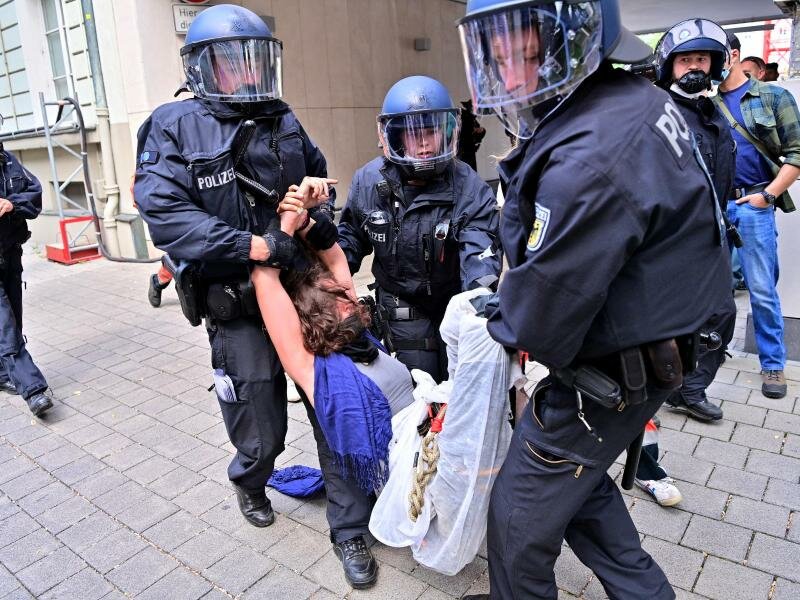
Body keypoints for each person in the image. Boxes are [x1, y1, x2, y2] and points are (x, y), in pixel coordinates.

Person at [457, 1, 731, 598]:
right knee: (575, 484)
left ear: (573, 39)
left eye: (525, 55)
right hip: (661, 337)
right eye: (496, 56)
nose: (508, 76)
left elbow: (538, 315)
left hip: (609, 371)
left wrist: (492, 326)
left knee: (517, 516)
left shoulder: (589, 158)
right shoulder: (630, 98)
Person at [134, 4, 337, 531]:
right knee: (260, 423)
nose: (247, 71)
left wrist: (316, 205)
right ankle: (250, 479)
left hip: (296, 292)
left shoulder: (283, 118)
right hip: (237, 301)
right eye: (231, 61)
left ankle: (349, 507)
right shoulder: (173, 126)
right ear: (202, 67)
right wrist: (258, 247)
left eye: (255, 59)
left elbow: (318, 180)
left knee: (332, 402)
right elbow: (170, 220)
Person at [252, 194, 414, 588]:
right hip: (358, 447)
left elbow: (337, 258)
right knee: (337, 455)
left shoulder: (361, 337)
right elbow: (263, 278)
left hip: (402, 453)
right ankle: (348, 534)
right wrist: (285, 225)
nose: (350, 302)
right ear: (313, 320)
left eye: (346, 298)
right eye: (339, 304)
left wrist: (306, 219)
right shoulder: (310, 366)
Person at [338, 75, 502, 383]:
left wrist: (479, 302)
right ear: (396, 137)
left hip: (456, 298)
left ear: (447, 133)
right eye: (414, 134)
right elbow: (349, 241)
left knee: (464, 380)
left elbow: (480, 253)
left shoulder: (470, 187)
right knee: (420, 383)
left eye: (431, 132)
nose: (424, 142)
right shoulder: (368, 182)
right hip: (403, 298)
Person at [652, 19, 737, 426]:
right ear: (669, 65)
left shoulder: (713, 113)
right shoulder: (658, 113)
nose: (694, 67)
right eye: (685, 60)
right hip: (672, 243)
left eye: (701, 58)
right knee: (674, 321)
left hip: (713, 238)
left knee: (721, 316)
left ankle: (689, 389)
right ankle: (664, 390)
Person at [714, 32, 800, 399]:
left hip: (753, 205)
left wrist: (767, 195)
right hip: (715, 207)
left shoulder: (773, 96)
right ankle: (711, 353)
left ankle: (773, 365)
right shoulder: (706, 103)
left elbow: (796, 154)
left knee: (762, 290)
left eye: (715, 55)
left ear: (733, 55)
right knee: (713, 289)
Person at [0, 138, 53, 417]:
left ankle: (2, 371)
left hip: (10, 255)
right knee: (5, 326)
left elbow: (35, 194)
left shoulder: (8, 160)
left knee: (14, 321)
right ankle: (33, 390)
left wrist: (11, 204)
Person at [457, 99, 487, 171]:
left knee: (471, 172)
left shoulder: (472, 119)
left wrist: (481, 131)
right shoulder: (463, 117)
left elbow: (477, 138)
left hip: (469, 151)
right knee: (466, 172)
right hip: (463, 152)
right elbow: (462, 133)